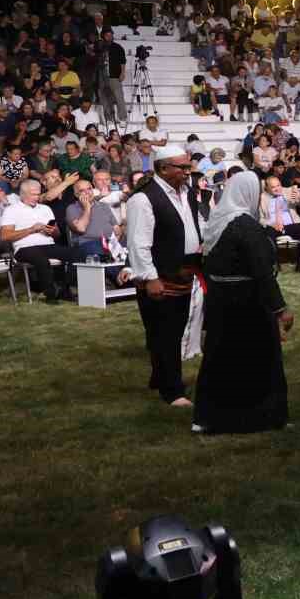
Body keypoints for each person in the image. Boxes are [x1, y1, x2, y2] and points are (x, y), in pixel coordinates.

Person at [193, 172, 292, 435]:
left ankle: (210, 417)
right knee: (257, 359)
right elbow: (262, 271)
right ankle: (259, 416)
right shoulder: (245, 225)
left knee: (220, 358)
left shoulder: (218, 220)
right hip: (248, 301)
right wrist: (280, 308)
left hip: (220, 299)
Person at [125, 145, 203, 408]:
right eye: (181, 167)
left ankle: (160, 377)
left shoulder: (188, 192)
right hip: (159, 274)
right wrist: (150, 277)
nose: (187, 171)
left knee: (170, 330)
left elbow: (191, 223)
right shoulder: (143, 199)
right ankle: (172, 390)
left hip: (184, 270)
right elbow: (138, 243)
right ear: (163, 168)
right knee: (164, 332)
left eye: (187, 166)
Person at [2, 178, 85, 304]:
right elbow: (5, 236)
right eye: (33, 194)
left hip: (47, 244)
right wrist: (31, 229)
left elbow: (57, 234)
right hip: (24, 247)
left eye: (38, 194)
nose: (37, 197)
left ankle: (64, 288)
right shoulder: (11, 210)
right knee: (41, 260)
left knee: (77, 253)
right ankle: (51, 295)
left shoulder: (45, 209)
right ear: (23, 194)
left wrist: (51, 231)